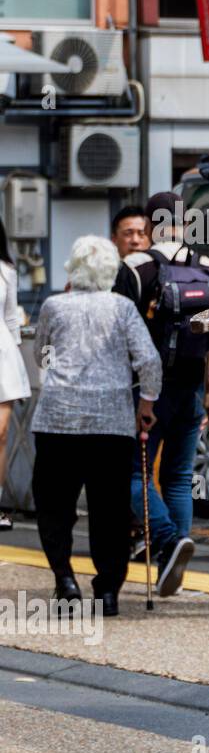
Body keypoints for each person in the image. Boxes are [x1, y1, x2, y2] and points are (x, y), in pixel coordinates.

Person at [32, 236, 161, 615]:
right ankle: (107, 591)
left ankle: (65, 579)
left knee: (54, 506)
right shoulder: (122, 308)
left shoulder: (54, 306)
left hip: (58, 421)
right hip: (111, 427)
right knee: (110, 510)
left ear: (72, 269)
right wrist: (146, 403)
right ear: (111, 272)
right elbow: (149, 360)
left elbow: (42, 354)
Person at [119, 190, 209, 597]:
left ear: (148, 223)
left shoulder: (136, 266)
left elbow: (120, 331)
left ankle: (165, 541)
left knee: (132, 473)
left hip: (148, 389)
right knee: (179, 477)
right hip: (194, 383)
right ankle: (173, 566)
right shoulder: (208, 266)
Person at [0, 219, 31, 530]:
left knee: (2, 433)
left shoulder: (5, 270)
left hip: (2, 357)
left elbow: (11, 319)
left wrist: (18, 364)